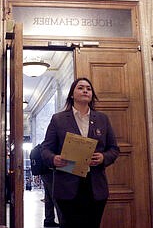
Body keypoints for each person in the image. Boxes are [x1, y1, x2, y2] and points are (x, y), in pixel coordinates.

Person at [41, 77, 119, 228]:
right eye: (80, 88)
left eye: (88, 89)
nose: (85, 90)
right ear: (72, 94)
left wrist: (103, 157)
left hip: (95, 186)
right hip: (67, 186)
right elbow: (45, 149)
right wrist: (54, 159)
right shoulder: (58, 119)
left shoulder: (102, 119)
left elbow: (114, 149)